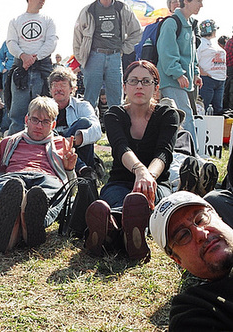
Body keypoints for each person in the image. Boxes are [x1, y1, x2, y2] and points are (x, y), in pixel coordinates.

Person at [84, 60, 179, 261]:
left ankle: (112, 231)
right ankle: (128, 234)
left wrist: (149, 177)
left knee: (144, 202)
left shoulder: (168, 115)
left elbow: (164, 153)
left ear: (156, 87)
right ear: (125, 85)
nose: (139, 86)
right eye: (133, 80)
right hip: (120, 182)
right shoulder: (114, 114)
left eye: (146, 81)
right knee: (123, 202)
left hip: (157, 183)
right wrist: (139, 171)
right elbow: (120, 148)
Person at [0, 96, 77, 253]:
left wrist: (69, 169)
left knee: (51, 190)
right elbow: (2, 171)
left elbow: (71, 189)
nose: (39, 126)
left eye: (45, 122)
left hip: (46, 179)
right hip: (14, 177)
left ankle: (20, 222)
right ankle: (25, 221)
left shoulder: (62, 144)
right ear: (27, 119)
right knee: (1, 186)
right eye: (35, 120)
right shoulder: (8, 142)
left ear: (53, 124)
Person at [149, 191, 233, 331]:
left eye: (200, 219)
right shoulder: (195, 311)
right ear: (177, 260)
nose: (200, 233)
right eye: (182, 236)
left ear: (219, 217)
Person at [73, 0, 142, 110]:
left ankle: (116, 125)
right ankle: (91, 126)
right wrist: (81, 58)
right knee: (90, 101)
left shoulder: (122, 8)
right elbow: (77, 35)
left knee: (116, 100)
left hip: (115, 56)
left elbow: (137, 31)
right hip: (93, 56)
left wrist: (123, 49)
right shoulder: (88, 10)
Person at [157, 0, 203, 151]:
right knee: (185, 116)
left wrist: (195, 73)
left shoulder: (190, 24)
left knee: (179, 117)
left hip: (183, 80)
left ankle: (183, 153)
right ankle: (192, 155)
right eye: (199, 1)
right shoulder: (171, 23)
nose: (201, 5)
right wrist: (177, 74)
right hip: (172, 80)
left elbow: (192, 55)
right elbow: (166, 52)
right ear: (187, 1)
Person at [6, 0, 57, 136]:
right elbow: (11, 42)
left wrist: (34, 58)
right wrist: (23, 56)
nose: (43, 1)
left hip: (42, 70)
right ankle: (12, 150)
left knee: (43, 113)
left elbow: (51, 42)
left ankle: (40, 149)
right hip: (20, 71)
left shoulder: (48, 20)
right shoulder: (15, 21)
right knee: (17, 114)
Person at [48, 66, 101, 178]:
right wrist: (61, 143)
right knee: (47, 130)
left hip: (76, 150)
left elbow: (97, 130)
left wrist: (75, 140)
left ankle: (82, 171)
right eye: (55, 85)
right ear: (50, 89)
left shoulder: (82, 106)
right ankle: (83, 169)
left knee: (84, 123)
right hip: (52, 154)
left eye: (63, 85)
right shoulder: (43, 107)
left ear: (72, 88)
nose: (58, 89)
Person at [197, 19, 226, 115]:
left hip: (220, 80)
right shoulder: (200, 43)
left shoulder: (214, 43)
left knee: (218, 109)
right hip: (208, 79)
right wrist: (202, 72)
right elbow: (195, 60)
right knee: (203, 107)